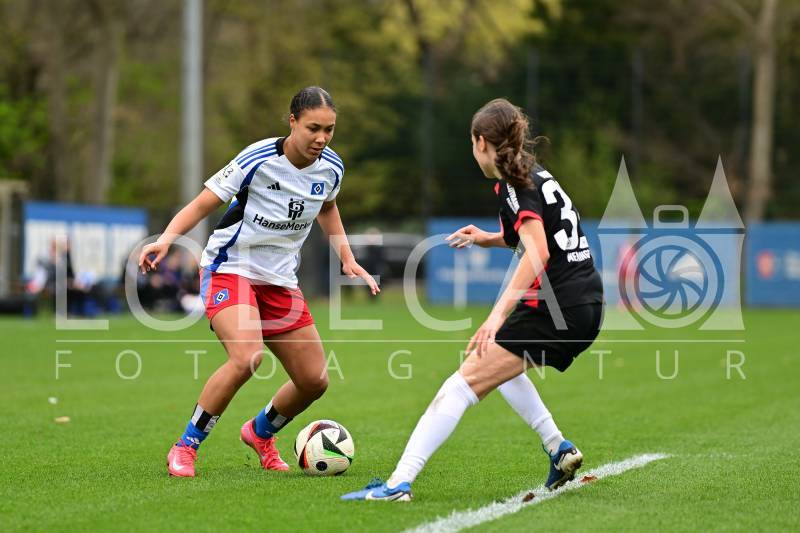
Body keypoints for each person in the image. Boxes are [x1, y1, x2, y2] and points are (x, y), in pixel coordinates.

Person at [342, 98, 603, 501]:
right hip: (587, 304)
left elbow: (537, 251)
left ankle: (398, 484)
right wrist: (487, 238)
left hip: (557, 307)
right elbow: (536, 236)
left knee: (460, 385)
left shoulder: (515, 184)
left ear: (481, 142)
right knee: (501, 368)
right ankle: (558, 447)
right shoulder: (531, 174)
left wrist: (496, 315)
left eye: (471, 143)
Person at [138, 86, 379, 478]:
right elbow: (202, 203)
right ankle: (185, 446)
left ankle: (260, 432)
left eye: (329, 130)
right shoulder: (258, 158)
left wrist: (347, 258)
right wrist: (166, 240)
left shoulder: (332, 167)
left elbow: (328, 207)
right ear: (292, 122)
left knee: (314, 380)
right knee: (247, 357)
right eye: (313, 128)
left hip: (279, 281)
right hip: (230, 268)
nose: (321, 138)